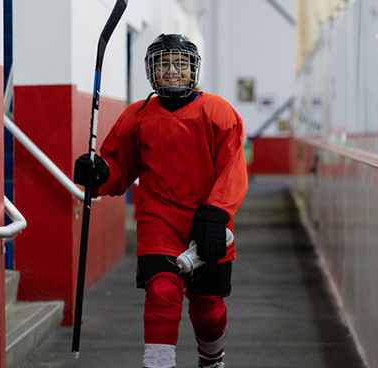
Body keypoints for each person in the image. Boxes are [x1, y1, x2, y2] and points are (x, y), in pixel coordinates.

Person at [73, 33, 248, 368]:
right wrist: (98, 172)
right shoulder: (136, 116)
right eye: (163, 64)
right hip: (159, 220)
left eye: (180, 64)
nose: (172, 71)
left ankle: (211, 358)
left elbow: (233, 169)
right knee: (162, 292)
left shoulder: (218, 112)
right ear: (151, 71)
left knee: (207, 306)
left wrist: (217, 211)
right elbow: (119, 169)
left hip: (208, 221)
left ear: (193, 69)